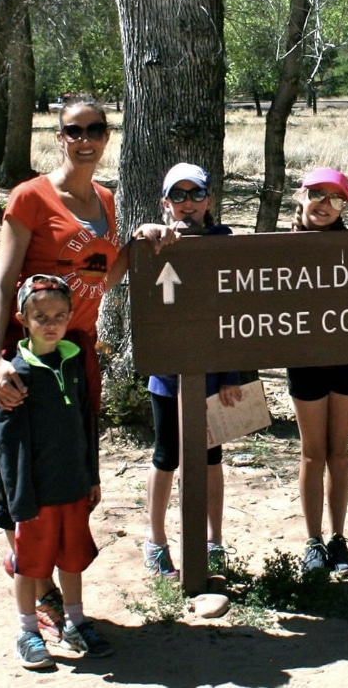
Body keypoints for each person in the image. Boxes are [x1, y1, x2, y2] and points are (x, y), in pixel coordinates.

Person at [0, 95, 176, 637]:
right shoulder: (31, 197)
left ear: (107, 138)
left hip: (75, 357)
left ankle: (46, 586)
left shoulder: (104, 199)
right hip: (25, 358)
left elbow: (101, 280)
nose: (86, 139)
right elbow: (2, 281)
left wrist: (137, 240)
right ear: (60, 135)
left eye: (96, 130)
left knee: (69, 472)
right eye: (74, 130)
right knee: (21, 477)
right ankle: (35, 586)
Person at [0, 275, 113, 669]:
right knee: (30, 562)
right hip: (35, 491)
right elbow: (9, 446)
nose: (51, 323)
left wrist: (92, 476)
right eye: (40, 316)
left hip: (73, 484)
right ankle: (28, 629)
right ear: (22, 319)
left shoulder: (74, 360)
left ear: (70, 316)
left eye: (59, 315)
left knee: (72, 558)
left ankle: (76, 620)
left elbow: (85, 421)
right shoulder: (15, 374)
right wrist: (17, 498)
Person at [143, 163, 243, 579]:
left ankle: (213, 542)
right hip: (167, 377)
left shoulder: (226, 243)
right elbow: (137, 241)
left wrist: (233, 375)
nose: (188, 204)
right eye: (178, 196)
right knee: (166, 457)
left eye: (195, 195)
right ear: (166, 203)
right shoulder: (154, 243)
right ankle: (156, 542)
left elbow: (240, 312)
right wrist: (148, 230)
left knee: (211, 458)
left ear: (209, 200)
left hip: (216, 377)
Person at [286, 168, 348, 575]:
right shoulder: (278, 249)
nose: (323, 205)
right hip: (305, 364)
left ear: (344, 207)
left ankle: (338, 541)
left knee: (339, 453)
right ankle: (313, 542)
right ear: (300, 197)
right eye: (316, 194)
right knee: (312, 453)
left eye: (335, 199)